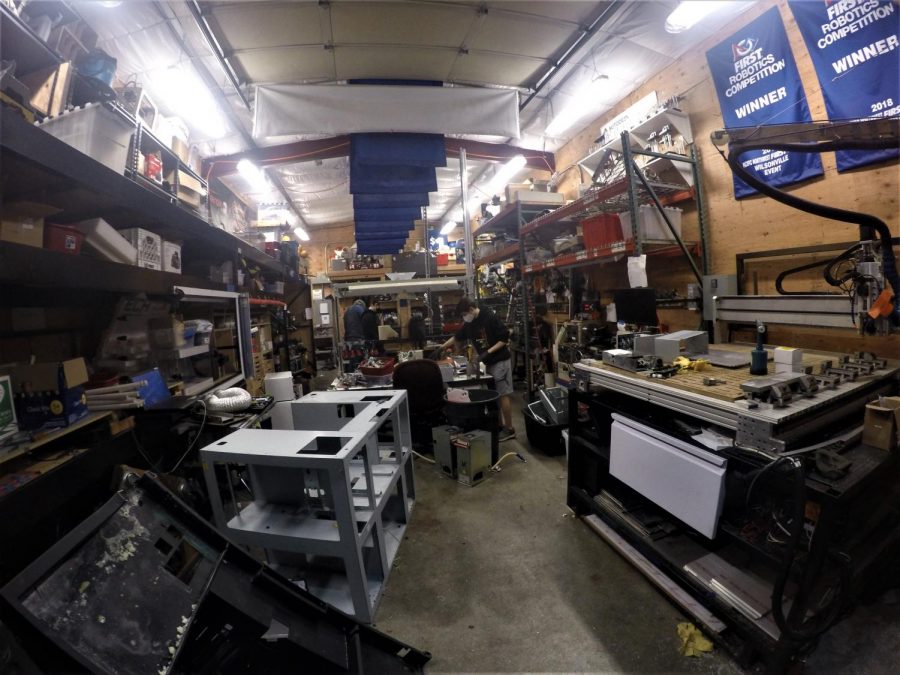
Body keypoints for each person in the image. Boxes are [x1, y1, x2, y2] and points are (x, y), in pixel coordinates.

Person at [440, 297, 516, 441]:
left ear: (471, 309)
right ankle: (498, 426)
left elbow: (504, 338)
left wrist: (488, 352)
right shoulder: (470, 323)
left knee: (503, 395)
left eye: (464, 315)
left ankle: (509, 429)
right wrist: (441, 347)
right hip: (489, 363)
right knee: (494, 396)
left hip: (500, 361)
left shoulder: (490, 317)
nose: (464, 318)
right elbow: (457, 337)